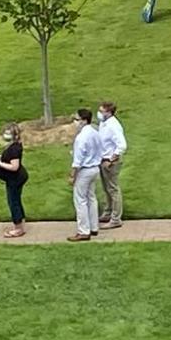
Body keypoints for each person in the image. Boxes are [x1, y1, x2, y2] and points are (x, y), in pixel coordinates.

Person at [68, 107, 103, 240]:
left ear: (83, 120)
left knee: (80, 200)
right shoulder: (94, 132)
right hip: (95, 168)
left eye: (76, 119)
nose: (75, 122)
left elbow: (77, 161)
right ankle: (94, 227)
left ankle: (83, 231)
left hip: (85, 171)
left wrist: (72, 176)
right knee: (91, 197)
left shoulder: (81, 138)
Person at [96, 100, 128, 229]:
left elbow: (122, 145)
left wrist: (111, 160)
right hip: (103, 160)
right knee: (106, 188)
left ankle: (115, 218)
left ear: (109, 112)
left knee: (113, 189)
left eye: (102, 111)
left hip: (110, 162)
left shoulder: (113, 125)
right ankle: (108, 212)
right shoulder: (104, 123)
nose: (99, 113)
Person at [0, 122, 28, 238]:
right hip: (15, 178)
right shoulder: (13, 146)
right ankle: (21, 223)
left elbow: (14, 167)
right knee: (16, 200)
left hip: (15, 179)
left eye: (8, 133)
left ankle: (18, 229)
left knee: (13, 202)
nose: (5, 135)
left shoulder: (13, 149)